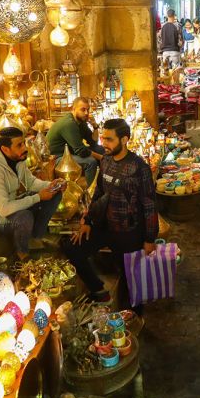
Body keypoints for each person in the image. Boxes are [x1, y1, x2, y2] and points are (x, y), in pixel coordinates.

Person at [65, 118, 159, 308]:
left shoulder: (139, 167)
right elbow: (99, 192)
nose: (103, 144)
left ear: (124, 140)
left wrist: (150, 239)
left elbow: (149, 204)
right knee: (72, 247)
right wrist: (88, 221)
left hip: (129, 232)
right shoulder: (106, 161)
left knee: (129, 283)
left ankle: (132, 321)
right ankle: (98, 289)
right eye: (102, 139)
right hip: (105, 226)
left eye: (109, 139)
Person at [0, 127, 65, 262]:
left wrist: (51, 185)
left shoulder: (17, 158)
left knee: (54, 194)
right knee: (24, 216)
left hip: (7, 206)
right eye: (19, 145)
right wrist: (38, 197)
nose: (25, 148)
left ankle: (35, 239)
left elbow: (31, 183)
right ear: (5, 149)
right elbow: (4, 209)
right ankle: (22, 253)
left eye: (24, 143)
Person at [46, 97, 104, 182]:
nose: (86, 113)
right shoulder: (69, 123)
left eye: (88, 110)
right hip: (58, 156)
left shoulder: (81, 121)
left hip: (70, 152)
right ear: (73, 109)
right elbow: (81, 151)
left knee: (100, 149)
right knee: (91, 162)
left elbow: (93, 141)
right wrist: (101, 158)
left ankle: (101, 184)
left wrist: (95, 126)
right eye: (83, 110)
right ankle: (91, 192)